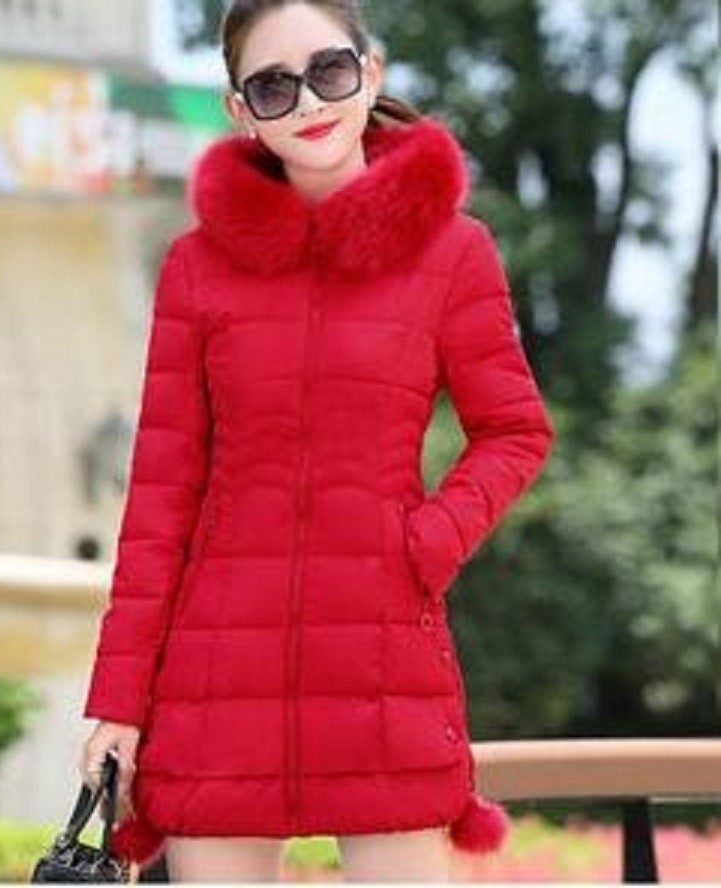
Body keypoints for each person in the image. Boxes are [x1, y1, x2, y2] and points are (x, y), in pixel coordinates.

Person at [78, 0, 556, 881]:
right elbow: (159, 499)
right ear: (240, 111)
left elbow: (513, 430)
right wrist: (119, 704)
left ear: (370, 73)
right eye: (272, 86)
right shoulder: (196, 268)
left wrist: (423, 542)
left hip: (383, 666)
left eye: (329, 71)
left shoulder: (453, 252)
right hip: (215, 680)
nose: (306, 102)